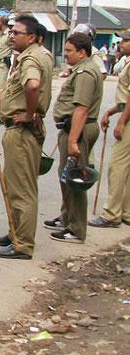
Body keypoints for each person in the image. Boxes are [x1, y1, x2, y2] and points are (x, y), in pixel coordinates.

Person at [0, 15, 53, 260]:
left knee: (21, 189)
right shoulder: (40, 54)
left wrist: (28, 113)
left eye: (17, 33)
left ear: (32, 37)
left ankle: (22, 243)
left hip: (22, 130)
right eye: (11, 32)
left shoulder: (31, 58)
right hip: (20, 130)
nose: (12, 36)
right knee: (17, 184)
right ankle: (15, 232)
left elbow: (33, 85)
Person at [46, 32, 104, 243]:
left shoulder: (86, 73)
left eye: (70, 51)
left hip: (78, 130)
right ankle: (67, 217)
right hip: (73, 129)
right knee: (66, 176)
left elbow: (81, 108)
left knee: (75, 179)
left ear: (82, 52)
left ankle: (77, 229)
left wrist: (72, 140)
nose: (66, 54)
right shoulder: (81, 69)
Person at [89, 30, 130, 228]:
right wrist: (112, 112)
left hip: (128, 119)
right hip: (125, 112)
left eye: (125, 40)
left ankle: (112, 214)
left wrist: (121, 121)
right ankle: (126, 211)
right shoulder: (127, 62)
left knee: (117, 166)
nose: (121, 43)